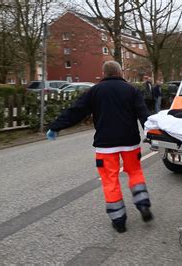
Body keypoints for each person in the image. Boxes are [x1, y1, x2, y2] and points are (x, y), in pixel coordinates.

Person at [46, 61, 153, 233]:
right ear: (120, 73)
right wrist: (151, 133)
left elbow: (76, 111)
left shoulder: (94, 91)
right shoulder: (132, 90)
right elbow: (143, 114)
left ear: (103, 73)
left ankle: (119, 220)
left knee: (110, 180)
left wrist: (56, 126)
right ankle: (142, 204)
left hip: (105, 145)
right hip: (130, 142)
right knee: (134, 172)